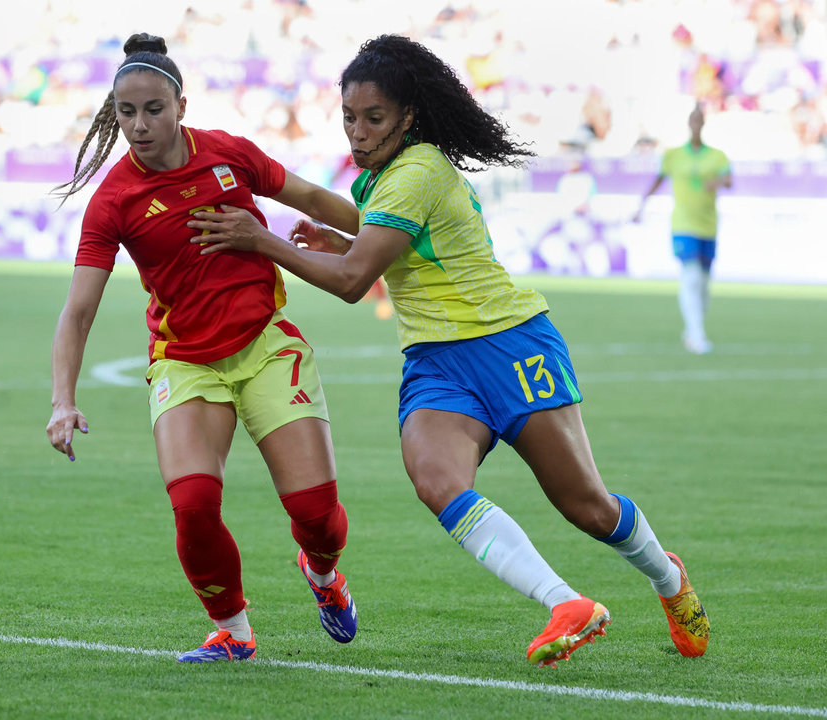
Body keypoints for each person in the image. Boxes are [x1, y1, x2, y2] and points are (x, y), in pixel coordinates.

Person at [188, 35, 710, 666]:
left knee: (588, 507)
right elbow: (374, 227)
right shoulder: (386, 176)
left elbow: (356, 283)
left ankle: (668, 579)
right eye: (349, 117)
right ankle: (564, 603)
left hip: (508, 341)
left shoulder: (420, 170)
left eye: (372, 118)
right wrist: (329, 233)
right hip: (436, 361)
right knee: (435, 479)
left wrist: (261, 239)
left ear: (408, 117)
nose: (357, 132)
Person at [46, 33, 362, 663]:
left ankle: (323, 575)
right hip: (185, 361)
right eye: (125, 112)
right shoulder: (113, 200)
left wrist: (383, 228)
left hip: (265, 345)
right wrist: (62, 400)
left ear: (181, 105)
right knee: (192, 505)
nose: (138, 125)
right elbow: (78, 310)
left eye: (153, 110)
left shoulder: (228, 154)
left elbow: (311, 199)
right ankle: (233, 633)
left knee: (317, 514)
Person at [633, 103, 732, 354]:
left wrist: (717, 181)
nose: (697, 123)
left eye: (701, 119)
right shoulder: (673, 155)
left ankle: (692, 329)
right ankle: (697, 335)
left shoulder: (717, 155)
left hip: (708, 225)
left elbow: (729, 180)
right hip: (683, 224)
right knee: (691, 276)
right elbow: (658, 180)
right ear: (689, 123)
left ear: (704, 123)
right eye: (693, 119)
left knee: (705, 284)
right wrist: (641, 206)